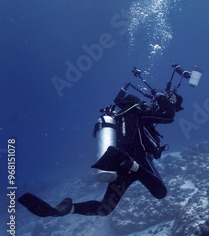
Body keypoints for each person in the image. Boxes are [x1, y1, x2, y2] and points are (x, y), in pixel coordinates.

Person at [19, 83, 184, 217]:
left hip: (121, 163)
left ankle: (67, 209)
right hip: (136, 161)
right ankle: (133, 166)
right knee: (161, 192)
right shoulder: (138, 113)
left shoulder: (121, 118)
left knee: (104, 209)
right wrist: (164, 99)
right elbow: (168, 117)